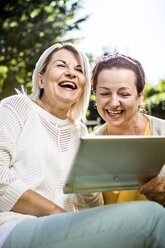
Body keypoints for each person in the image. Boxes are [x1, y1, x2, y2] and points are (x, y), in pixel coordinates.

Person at [0, 44, 165, 248]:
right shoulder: (17, 107)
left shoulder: (80, 133)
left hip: (66, 233)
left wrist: (89, 189)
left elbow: (86, 206)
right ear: (40, 79)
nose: (71, 72)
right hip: (14, 227)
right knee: (152, 219)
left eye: (79, 70)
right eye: (61, 65)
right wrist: (59, 215)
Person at [91, 52, 165, 207]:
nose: (113, 103)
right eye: (104, 93)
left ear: (139, 96)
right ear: (95, 95)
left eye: (124, 94)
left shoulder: (162, 132)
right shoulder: (89, 145)